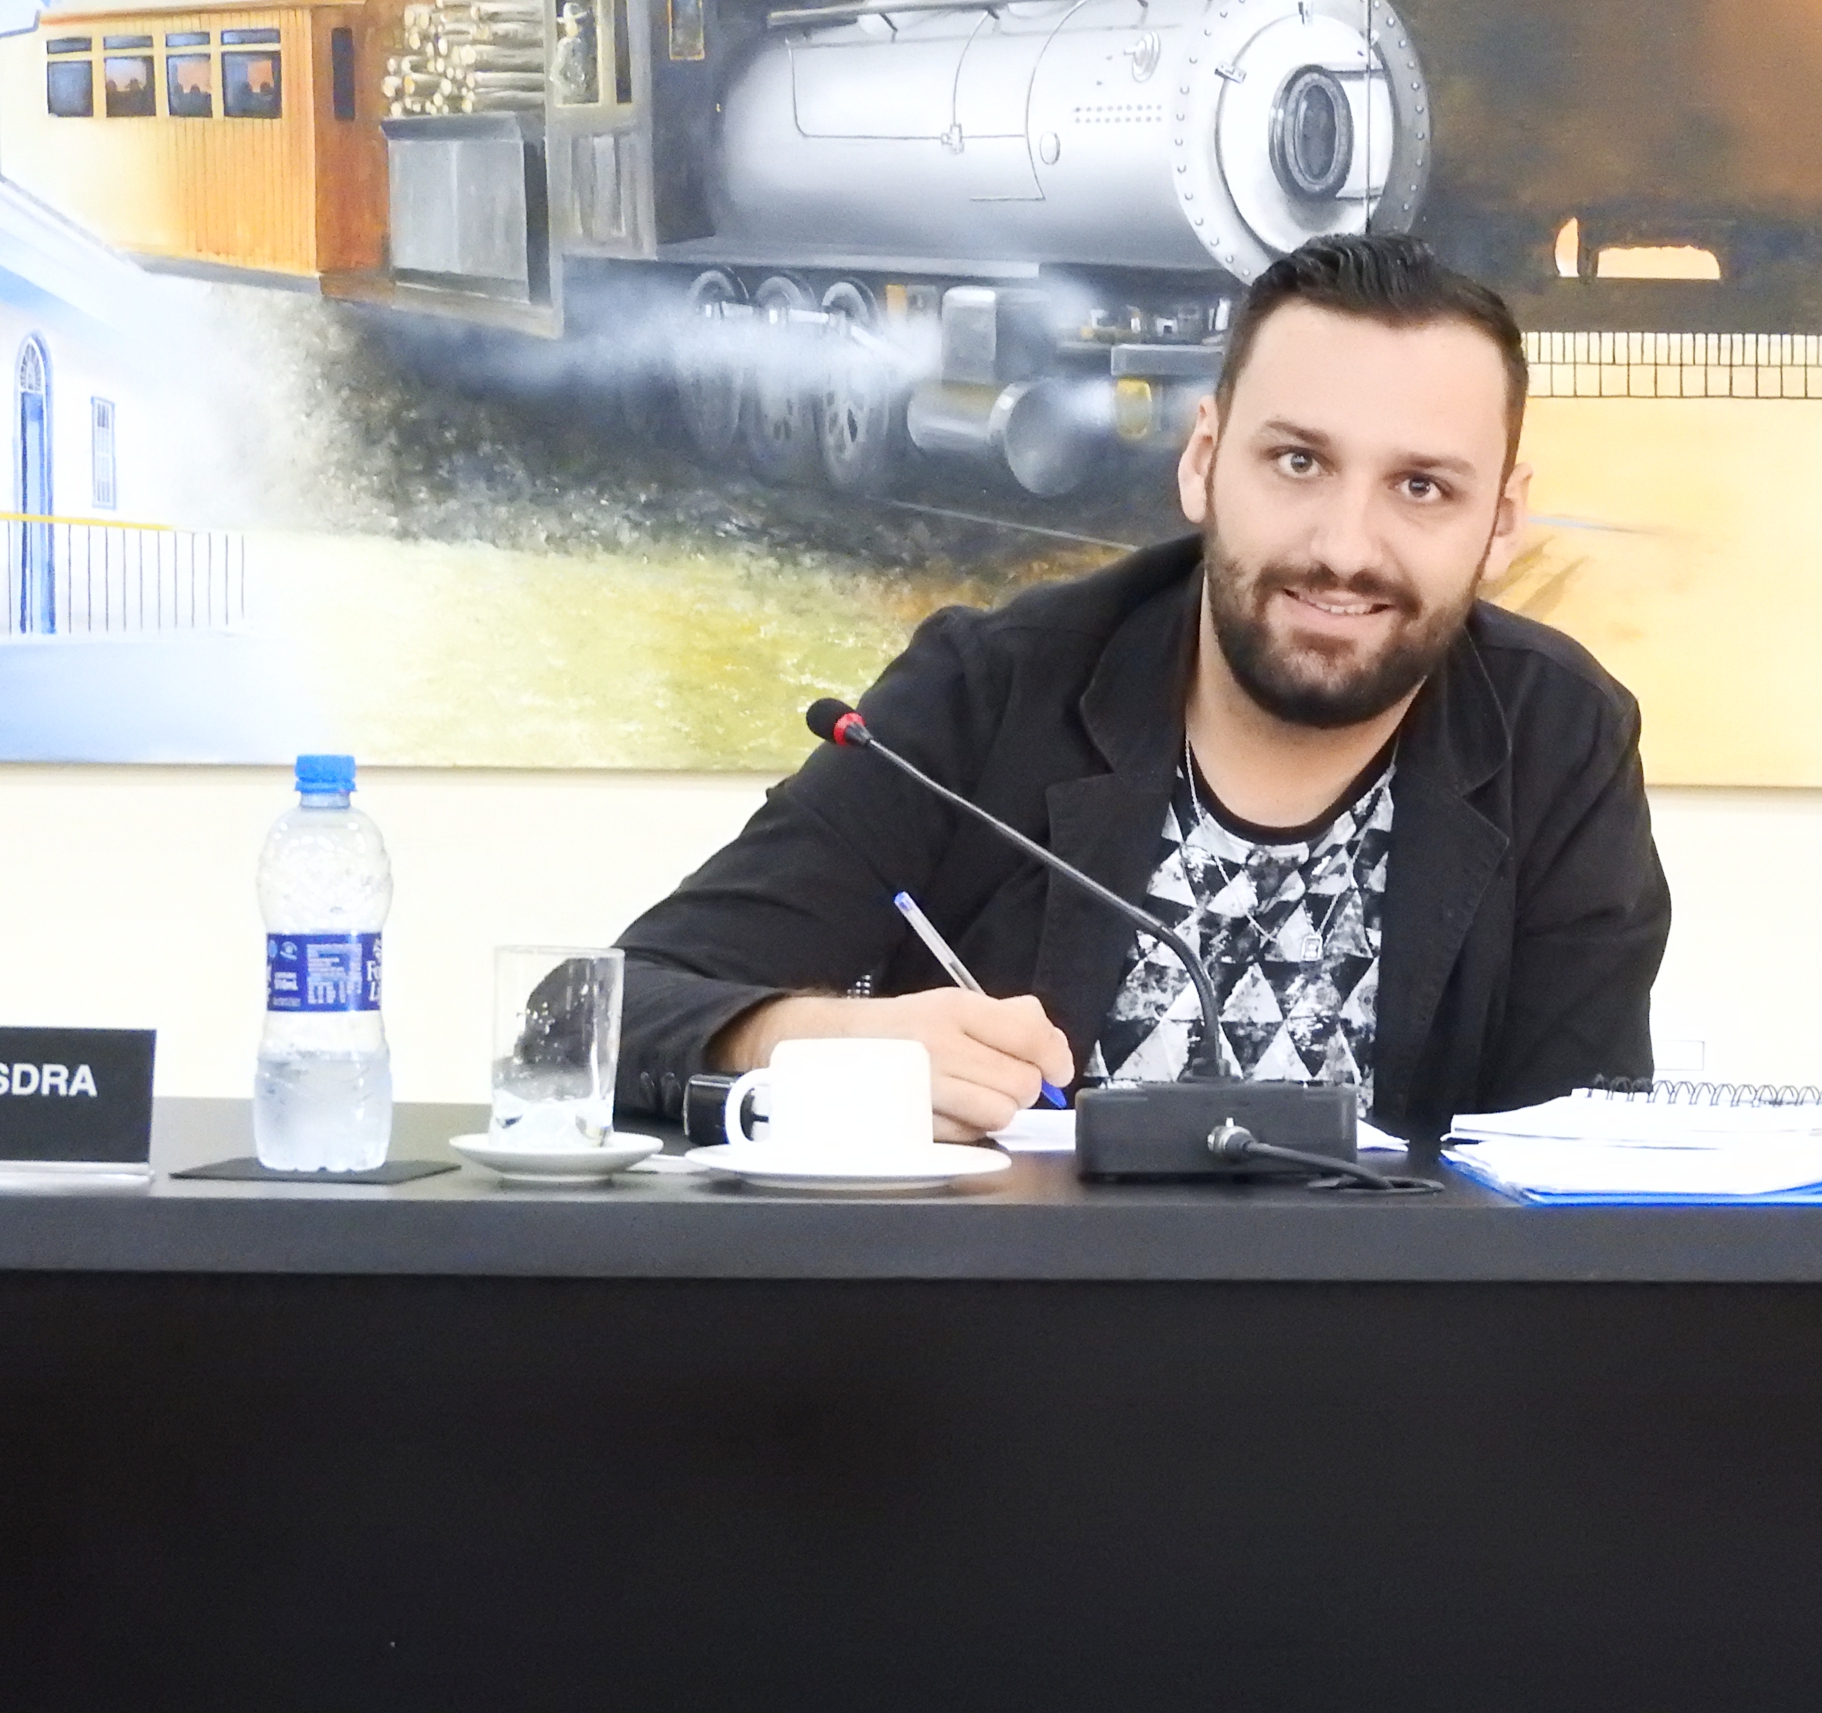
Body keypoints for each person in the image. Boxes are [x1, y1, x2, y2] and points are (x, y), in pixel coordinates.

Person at [616, 233, 1671, 1141]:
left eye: (1422, 486)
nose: (1345, 549)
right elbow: (611, 1010)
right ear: (1203, 460)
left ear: (1500, 522)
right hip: (999, 1311)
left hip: (1391, 1320)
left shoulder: (1559, 737)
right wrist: (819, 1042)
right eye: (1298, 463)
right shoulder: (990, 687)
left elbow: (1584, 1163)